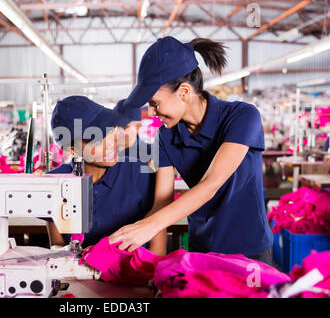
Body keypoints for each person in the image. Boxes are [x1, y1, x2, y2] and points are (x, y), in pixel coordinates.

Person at [109, 36, 273, 264]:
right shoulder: (165, 135)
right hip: (202, 249)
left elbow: (211, 184)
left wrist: (150, 225)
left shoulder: (242, 116)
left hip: (248, 248)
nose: (152, 113)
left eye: (155, 103)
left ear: (184, 91)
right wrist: (153, 264)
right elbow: (161, 202)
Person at [46, 96, 165, 254]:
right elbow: (56, 244)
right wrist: (65, 253)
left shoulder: (137, 172)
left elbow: (158, 246)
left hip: (135, 274)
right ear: (73, 150)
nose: (110, 144)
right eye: (96, 140)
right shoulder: (54, 182)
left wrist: (151, 274)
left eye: (110, 132)